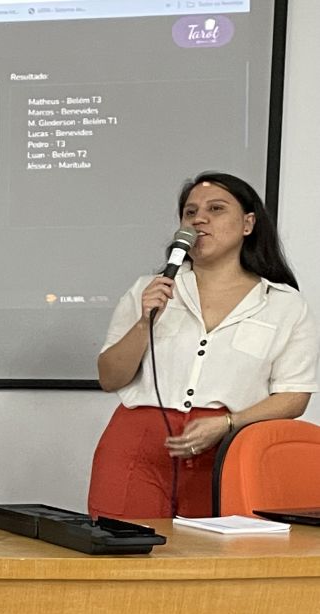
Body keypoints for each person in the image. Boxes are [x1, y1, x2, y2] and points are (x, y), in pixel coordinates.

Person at [90, 173, 318, 518]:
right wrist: (144, 322)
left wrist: (227, 422)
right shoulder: (149, 290)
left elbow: (293, 396)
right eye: (190, 212)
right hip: (137, 448)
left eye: (216, 209)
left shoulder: (284, 305)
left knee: (210, 550)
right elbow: (110, 378)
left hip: (225, 449)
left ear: (248, 224)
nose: (199, 219)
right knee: (125, 546)